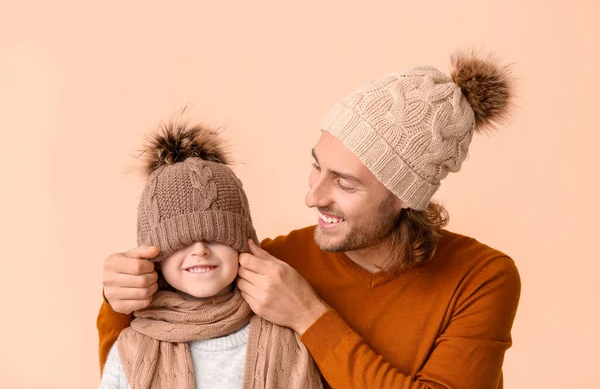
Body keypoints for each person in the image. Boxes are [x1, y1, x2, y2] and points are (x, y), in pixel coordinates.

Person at [99, 51, 521, 388]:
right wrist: (118, 300)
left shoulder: (482, 277)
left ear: (404, 197)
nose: (312, 196)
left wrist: (309, 316)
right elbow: (153, 357)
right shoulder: (278, 263)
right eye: (316, 166)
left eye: (344, 183)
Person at [99, 123, 322, 388]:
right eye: (180, 241)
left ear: (244, 244)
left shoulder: (286, 334)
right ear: (153, 259)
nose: (200, 250)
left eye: (217, 236)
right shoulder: (131, 349)